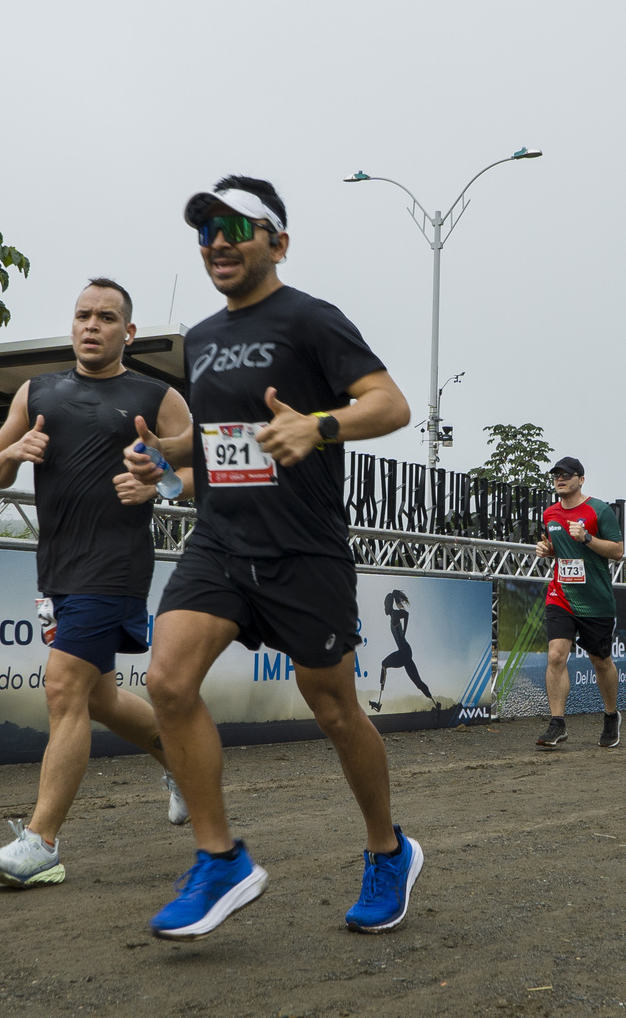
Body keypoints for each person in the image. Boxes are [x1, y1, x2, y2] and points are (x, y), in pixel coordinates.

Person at [126, 176, 421, 940]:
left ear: (278, 242)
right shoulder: (201, 337)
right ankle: (220, 859)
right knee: (167, 680)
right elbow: (219, 440)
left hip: (303, 549)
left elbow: (390, 404)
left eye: (235, 228)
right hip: (221, 540)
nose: (217, 243)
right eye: (205, 230)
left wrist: (319, 426)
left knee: (333, 707)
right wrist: (165, 455)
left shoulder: (312, 319)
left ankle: (388, 851)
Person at [0, 279, 194, 889]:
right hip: (57, 570)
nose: (92, 325)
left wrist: (157, 481)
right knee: (97, 698)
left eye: (106, 317)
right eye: (83, 315)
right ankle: (183, 759)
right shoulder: (37, 391)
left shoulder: (157, 397)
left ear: (129, 332)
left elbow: (202, 475)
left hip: (115, 566)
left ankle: (41, 843)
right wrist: (15, 451)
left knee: (63, 686)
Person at [530, 456, 626, 748]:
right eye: (556, 475)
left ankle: (611, 715)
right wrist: (548, 549)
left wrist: (587, 539)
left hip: (595, 601)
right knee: (556, 655)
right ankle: (557, 723)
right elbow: (561, 549)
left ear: (581, 480)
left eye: (566, 475)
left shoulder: (599, 510)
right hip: (561, 595)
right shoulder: (550, 513)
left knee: (600, 661)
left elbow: (618, 551)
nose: (560, 479)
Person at [370, 589, 438, 712]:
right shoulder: (393, 616)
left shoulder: (395, 615)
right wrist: (404, 634)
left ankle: (379, 702)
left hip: (404, 652)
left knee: (384, 664)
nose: (384, 609)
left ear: (389, 605)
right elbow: (406, 615)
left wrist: (404, 632)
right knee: (417, 682)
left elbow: (406, 614)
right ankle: (436, 703)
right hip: (405, 651)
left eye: (385, 606)